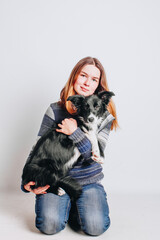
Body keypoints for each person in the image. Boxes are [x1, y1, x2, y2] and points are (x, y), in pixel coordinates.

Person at [21, 56, 118, 236]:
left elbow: (93, 157)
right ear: (74, 76)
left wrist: (74, 132)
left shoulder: (105, 116)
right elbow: (38, 148)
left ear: (98, 85)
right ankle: (65, 202)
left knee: (95, 227)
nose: (87, 82)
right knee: (49, 226)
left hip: (88, 181)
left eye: (94, 79)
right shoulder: (55, 109)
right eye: (83, 75)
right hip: (56, 177)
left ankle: (75, 206)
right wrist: (27, 180)